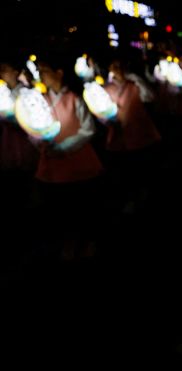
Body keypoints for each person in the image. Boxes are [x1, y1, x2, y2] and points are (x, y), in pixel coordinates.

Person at [33, 53, 104, 260]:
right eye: (40, 72)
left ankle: (87, 241)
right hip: (51, 166)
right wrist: (40, 142)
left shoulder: (74, 98)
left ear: (59, 73)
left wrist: (64, 147)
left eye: (44, 71)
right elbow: (32, 128)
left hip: (79, 165)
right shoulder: (40, 100)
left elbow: (88, 129)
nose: (41, 76)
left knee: (81, 206)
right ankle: (67, 243)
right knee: (59, 209)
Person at [103, 56, 162, 215]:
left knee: (140, 167)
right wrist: (108, 121)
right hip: (118, 137)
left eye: (119, 66)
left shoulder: (134, 85)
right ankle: (129, 198)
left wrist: (134, 78)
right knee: (124, 170)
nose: (116, 69)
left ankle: (142, 197)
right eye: (113, 66)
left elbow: (150, 96)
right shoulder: (106, 88)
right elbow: (100, 112)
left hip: (139, 135)